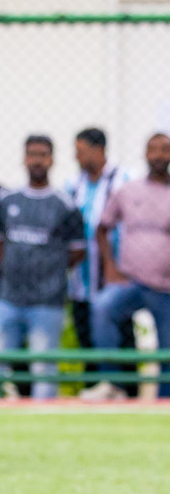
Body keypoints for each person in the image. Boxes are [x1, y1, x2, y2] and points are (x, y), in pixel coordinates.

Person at [0, 136, 86, 400]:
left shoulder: (65, 204)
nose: (37, 160)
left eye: (42, 154)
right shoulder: (7, 200)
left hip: (47, 301)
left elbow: (77, 251)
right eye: (32, 154)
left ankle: (45, 417)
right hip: (9, 297)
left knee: (43, 367)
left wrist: (49, 271)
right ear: (24, 158)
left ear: (51, 159)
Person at [90, 133, 170, 388]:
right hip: (130, 282)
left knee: (167, 348)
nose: (159, 155)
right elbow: (102, 228)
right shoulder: (128, 191)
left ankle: (164, 398)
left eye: (165, 150)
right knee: (102, 307)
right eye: (153, 150)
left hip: (166, 288)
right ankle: (112, 384)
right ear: (145, 154)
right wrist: (110, 268)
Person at [65, 128, 133, 398]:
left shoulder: (124, 180)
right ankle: (95, 389)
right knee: (86, 337)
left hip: (116, 276)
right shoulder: (72, 185)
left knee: (122, 334)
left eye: (80, 150)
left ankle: (128, 391)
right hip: (81, 278)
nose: (77, 157)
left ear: (98, 149)